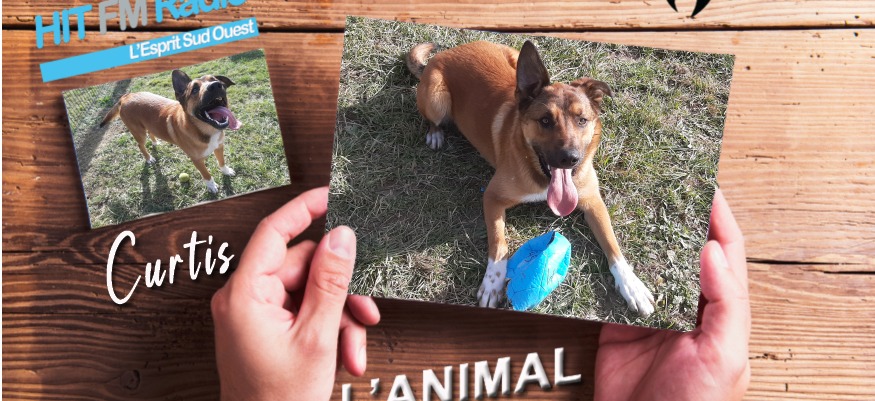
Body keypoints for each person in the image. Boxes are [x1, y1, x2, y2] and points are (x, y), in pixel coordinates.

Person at [211, 187, 750, 400]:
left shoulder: (576, 166)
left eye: (582, 124)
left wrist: (620, 268)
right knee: (436, 103)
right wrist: (497, 262)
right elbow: (495, 197)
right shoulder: (522, 156)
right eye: (547, 123)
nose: (568, 146)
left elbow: (591, 202)